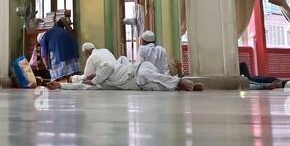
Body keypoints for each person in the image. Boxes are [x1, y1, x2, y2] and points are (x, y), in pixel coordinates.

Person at [47, 42, 201, 92]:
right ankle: (178, 86)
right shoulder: (101, 80)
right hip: (133, 80)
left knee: (146, 77)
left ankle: (179, 81)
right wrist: (61, 85)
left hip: (137, 70)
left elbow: (108, 66)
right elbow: (82, 86)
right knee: (152, 86)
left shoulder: (101, 70)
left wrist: (92, 79)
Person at [38, 16, 81, 80]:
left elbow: (44, 55)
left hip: (59, 51)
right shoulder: (55, 30)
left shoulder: (43, 38)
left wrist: (47, 66)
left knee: (55, 59)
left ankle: (61, 80)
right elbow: (62, 19)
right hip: (70, 44)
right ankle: (72, 79)